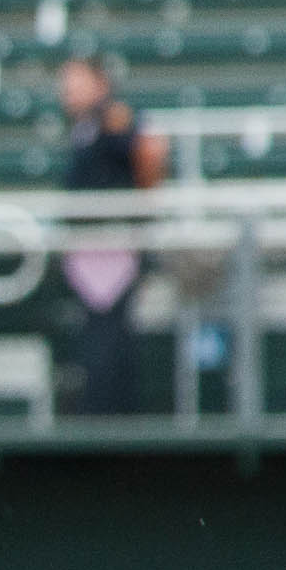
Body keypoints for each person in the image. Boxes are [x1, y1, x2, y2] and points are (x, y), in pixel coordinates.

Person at [58, 57, 169, 417]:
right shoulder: (84, 126)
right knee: (96, 338)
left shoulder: (114, 119)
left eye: (77, 83)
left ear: (100, 84)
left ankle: (111, 418)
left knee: (111, 340)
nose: (69, 92)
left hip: (113, 246)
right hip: (87, 246)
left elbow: (150, 153)